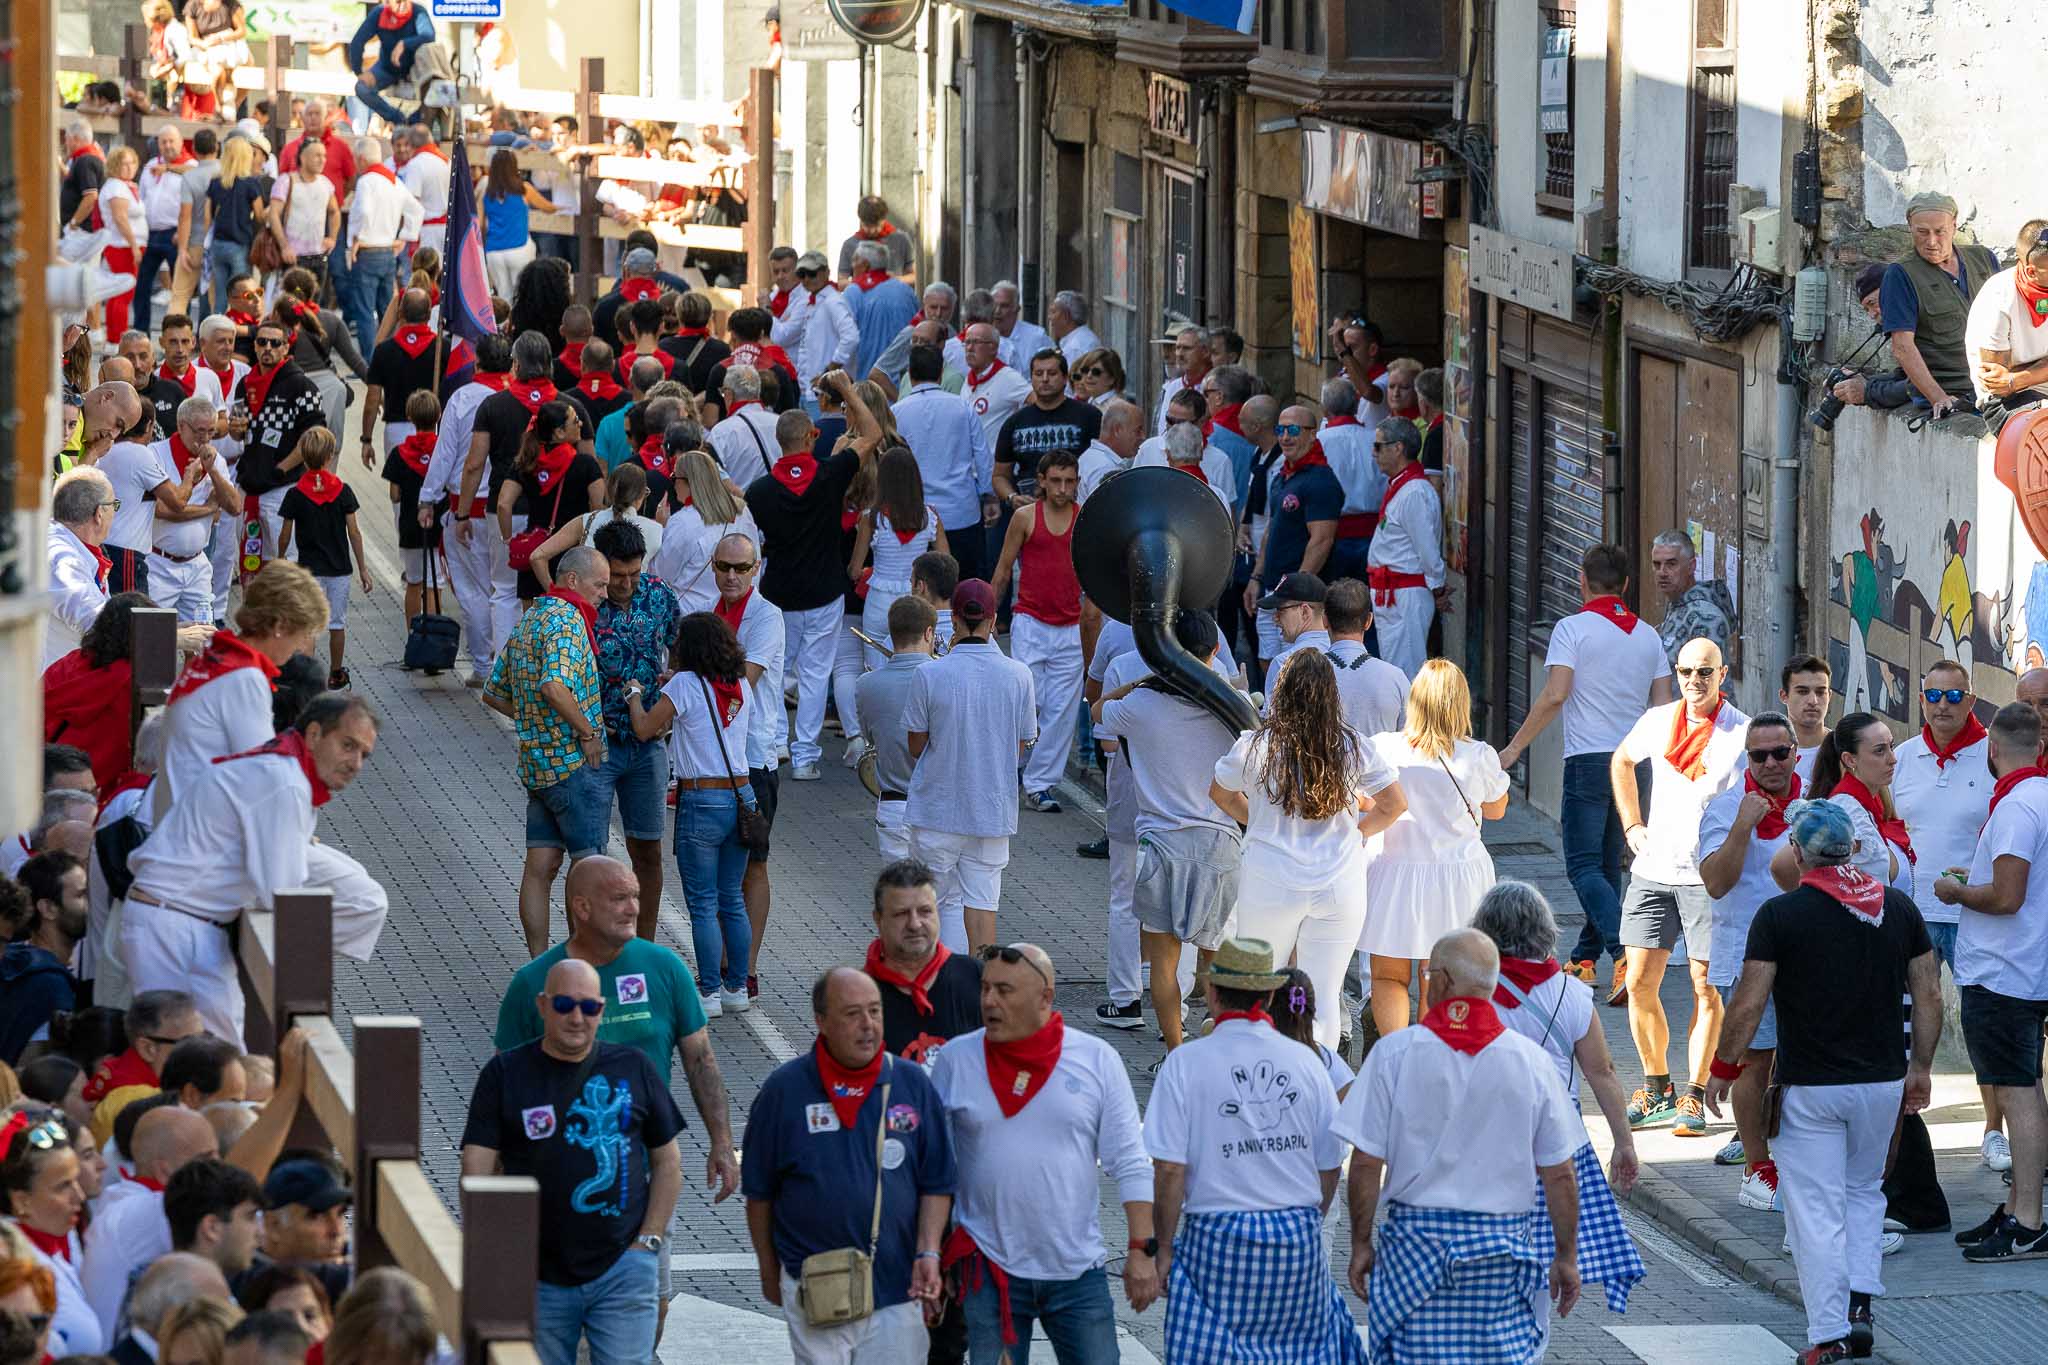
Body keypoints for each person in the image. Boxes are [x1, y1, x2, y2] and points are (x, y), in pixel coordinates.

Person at [1707, 798, 1940, 1362]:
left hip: (1810, 1086)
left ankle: (1827, 1335)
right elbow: (1929, 994)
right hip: (1881, 1082)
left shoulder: (1781, 916)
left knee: (1813, 1211)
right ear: (1854, 849)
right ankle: (1860, 1303)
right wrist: (1922, 1068)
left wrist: (1722, 1067)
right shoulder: (1899, 908)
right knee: (1864, 1195)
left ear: (1796, 853)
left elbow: (1748, 1001)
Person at [493, 855, 739, 1323]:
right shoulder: (532, 985)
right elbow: (505, 1087)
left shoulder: (664, 968)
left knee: (649, 1308)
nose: (633, 908)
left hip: (643, 1183)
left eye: (636, 897)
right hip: (552, 1187)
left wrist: (722, 1143)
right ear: (581, 908)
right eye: (619, 898)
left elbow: (700, 1060)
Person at [1340, 928, 1587, 1361]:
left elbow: (1364, 1162)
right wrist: (1566, 1256)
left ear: (1446, 981)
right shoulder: (1531, 1062)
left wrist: (1361, 1243)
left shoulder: (1394, 1054)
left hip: (1413, 1249)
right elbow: (1560, 1172)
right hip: (1501, 1251)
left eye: (1430, 971)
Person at [931, 942, 1155, 1360]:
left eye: (1005, 990)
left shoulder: (1096, 1060)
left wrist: (1142, 1249)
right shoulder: (955, 1060)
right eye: (985, 989)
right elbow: (935, 1169)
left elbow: (1130, 1161)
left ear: (1045, 998)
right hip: (989, 1269)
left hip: (1076, 1272)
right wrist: (930, 1252)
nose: (989, 1002)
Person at [461, 958, 684, 1365]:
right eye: (564, 1005)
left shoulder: (634, 1068)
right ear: (543, 1006)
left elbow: (668, 1162)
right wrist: (496, 1255)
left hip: (622, 1267)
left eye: (589, 1007)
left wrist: (647, 1243)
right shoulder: (505, 1074)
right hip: (537, 1275)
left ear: (602, 1009)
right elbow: (475, 1173)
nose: (577, 1017)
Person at [122, 696, 383, 1041]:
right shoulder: (285, 782)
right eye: (348, 746)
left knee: (217, 1064)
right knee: (201, 1067)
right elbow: (283, 893)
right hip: (175, 927)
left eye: (364, 754)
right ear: (315, 734)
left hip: (182, 922)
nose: (356, 764)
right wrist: (297, 962)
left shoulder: (281, 769)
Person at [1141, 938, 1352, 1359]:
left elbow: (1168, 1170)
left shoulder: (1185, 1062)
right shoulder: (1310, 1063)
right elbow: (1331, 1163)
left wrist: (1161, 1248)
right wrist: (1308, 1222)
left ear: (1214, 994)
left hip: (1215, 1239)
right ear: (1269, 995)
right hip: (1294, 1237)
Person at [742, 968, 951, 1361]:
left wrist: (928, 1253)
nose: (868, 1025)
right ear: (821, 1021)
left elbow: (937, 1181)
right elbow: (759, 1192)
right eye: (852, 1014)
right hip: (816, 1285)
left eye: (874, 1011)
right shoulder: (783, 1091)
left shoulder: (912, 1083)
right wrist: (770, 1271)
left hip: (897, 1290)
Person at [1500, 544, 1674, 988]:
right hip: (1636, 763)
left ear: (1582, 580)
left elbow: (1556, 694)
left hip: (1589, 761)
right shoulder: (1650, 636)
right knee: (1607, 864)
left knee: (1581, 866)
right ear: (1627, 585)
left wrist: (1515, 748)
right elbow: (1662, 707)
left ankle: (1624, 953)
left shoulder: (1572, 629)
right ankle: (1584, 959)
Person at [1212, 650, 1404, 1051]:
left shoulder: (1257, 746)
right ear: (1331, 695)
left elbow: (1221, 794)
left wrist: (1257, 822)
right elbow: (1394, 804)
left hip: (1269, 881)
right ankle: (1319, 1084)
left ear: (1282, 693)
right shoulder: (1353, 746)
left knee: (1261, 987)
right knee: (1322, 994)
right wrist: (1358, 832)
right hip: (1338, 884)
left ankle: (1263, 1074)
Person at [1472, 885, 1646, 1311]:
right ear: (1545, 930)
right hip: (1558, 1136)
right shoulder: (1571, 995)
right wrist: (1624, 1144)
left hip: (1487, 1133)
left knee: (1490, 1250)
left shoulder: (1473, 990)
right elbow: (1601, 1073)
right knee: (1550, 1256)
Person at [1612, 637, 1747, 1135]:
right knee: (1637, 983)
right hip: (1652, 870)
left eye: (1705, 673)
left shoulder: (1740, 732)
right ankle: (1656, 1086)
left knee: (1705, 988)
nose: (1694, 681)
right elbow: (1621, 761)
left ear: (1722, 675)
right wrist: (1632, 825)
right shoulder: (1657, 720)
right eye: (1686, 670)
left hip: (1706, 878)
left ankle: (1694, 1093)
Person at [1095, 610, 1245, 1049]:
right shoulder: (1233, 708)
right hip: (1221, 842)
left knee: (1163, 963)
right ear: (1215, 651)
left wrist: (1141, 681)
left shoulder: (1142, 705)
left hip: (1160, 845)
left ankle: (1175, 1050)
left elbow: (1100, 711)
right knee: (1220, 962)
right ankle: (1221, 1043)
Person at [1933, 701, 2048, 1262]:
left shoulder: (2018, 806)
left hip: (2006, 971)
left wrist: (1958, 891)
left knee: (2017, 1090)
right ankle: (2018, 1207)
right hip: (2022, 967)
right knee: (2020, 1085)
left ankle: (2027, 1220)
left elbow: (2006, 895)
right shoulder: (2038, 796)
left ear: (1992, 750)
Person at [1890, 660, 2005, 1171]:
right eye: (1933, 697)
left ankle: (1994, 1130)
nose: (1943, 707)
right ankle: (1900, 1111)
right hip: (1911, 911)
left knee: (1984, 1020)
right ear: (1921, 700)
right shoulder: (1900, 758)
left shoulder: (1994, 756)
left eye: (1954, 698)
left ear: (1972, 701)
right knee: (1904, 1017)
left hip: (1975, 911)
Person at [1360, 660, 1510, 1035]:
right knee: (1440, 979)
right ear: (1460, 704)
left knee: (1388, 977)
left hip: (1393, 869)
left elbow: (1364, 801)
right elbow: (1496, 809)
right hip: (1457, 877)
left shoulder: (1384, 748)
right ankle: (1434, 1058)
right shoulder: (1478, 756)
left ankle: (1396, 1055)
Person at [745, 379, 879, 782]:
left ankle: (772, 745)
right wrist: (845, 391)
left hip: (779, 592)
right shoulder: (830, 474)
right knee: (816, 674)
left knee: (772, 671)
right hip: (823, 591)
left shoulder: (760, 491)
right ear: (812, 436)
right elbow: (873, 433)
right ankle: (804, 757)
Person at [1696, 712, 1804, 1212]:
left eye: (1779, 753)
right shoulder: (1723, 809)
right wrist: (1743, 826)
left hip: (1808, 952)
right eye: (1758, 755)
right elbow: (1716, 882)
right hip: (1749, 955)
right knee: (1754, 1062)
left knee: (1799, 1061)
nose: (1770, 763)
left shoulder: (1814, 804)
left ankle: (1791, 1154)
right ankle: (1757, 1164)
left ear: (1794, 753)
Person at [627, 613, 759, 1015]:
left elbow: (646, 729)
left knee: (701, 903)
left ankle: (709, 992)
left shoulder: (685, 684)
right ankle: (737, 987)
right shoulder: (740, 686)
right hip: (741, 795)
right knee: (731, 898)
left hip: (701, 799)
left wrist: (634, 695)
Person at [482, 545, 609, 958]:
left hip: (536, 766)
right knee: (589, 869)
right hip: (572, 766)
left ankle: (538, 962)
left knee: (539, 868)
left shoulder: (533, 616)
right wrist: (585, 731)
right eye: (600, 584)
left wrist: (534, 721)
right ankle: (582, 961)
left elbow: (495, 693)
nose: (605, 593)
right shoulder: (568, 621)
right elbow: (554, 686)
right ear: (573, 580)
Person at [904, 580, 1036, 952]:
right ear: (993, 620)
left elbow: (916, 746)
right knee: (982, 906)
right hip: (992, 809)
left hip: (937, 808)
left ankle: (931, 989)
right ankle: (980, 991)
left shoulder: (929, 674)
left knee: (930, 905)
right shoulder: (1019, 674)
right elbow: (1023, 743)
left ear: (954, 619)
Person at [989, 451, 1084, 814]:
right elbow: (1002, 569)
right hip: (1029, 619)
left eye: (1070, 481)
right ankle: (1011, 767)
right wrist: (989, 620)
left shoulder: (1084, 520)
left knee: (1061, 711)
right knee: (1027, 700)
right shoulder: (1025, 517)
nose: (1063, 488)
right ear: (1041, 481)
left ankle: (1040, 784)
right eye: (1056, 480)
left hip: (1072, 625)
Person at [1876, 190, 2000, 416]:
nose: (1931, 241)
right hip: (1953, 391)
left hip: (1994, 386)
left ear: (1954, 225)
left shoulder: (1984, 259)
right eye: (1922, 232)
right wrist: (1939, 398)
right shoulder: (1901, 274)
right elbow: (1902, 347)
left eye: (1940, 231)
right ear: (1910, 226)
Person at [1242, 403, 1341, 683]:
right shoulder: (1283, 476)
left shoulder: (1321, 481)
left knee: (1296, 666)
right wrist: (1256, 577)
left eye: (1294, 430)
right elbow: (1271, 531)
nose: (1285, 437)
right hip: (1272, 586)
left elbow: (1321, 541)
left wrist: (1297, 591)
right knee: (1267, 660)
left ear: (1312, 435)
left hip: (1297, 596)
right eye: (1281, 430)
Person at [890, 344, 994, 584]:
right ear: (941, 373)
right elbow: (982, 455)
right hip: (961, 513)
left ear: (910, 373)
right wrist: (987, 494)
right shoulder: (963, 407)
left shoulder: (897, 412)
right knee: (967, 586)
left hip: (916, 517)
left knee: (921, 589)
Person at [0, 1108, 101, 1355]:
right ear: (21, 1201)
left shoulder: (63, 1234)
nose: (79, 1195)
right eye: (63, 1186)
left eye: (76, 1180)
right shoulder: (14, 1272)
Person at [276, 430, 371, 690]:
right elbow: (354, 532)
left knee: (308, 625)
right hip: (340, 569)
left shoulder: (295, 494)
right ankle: (336, 673)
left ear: (304, 459)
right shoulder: (343, 491)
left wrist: (280, 559)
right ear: (330, 457)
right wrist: (363, 568)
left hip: (309, 571)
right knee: (337, 623)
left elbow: (285, 534)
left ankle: (308, 675)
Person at [240, 316, 332, 564]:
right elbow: (239, 431)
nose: (268, 348)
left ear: (285, 347)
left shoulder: (303, 385)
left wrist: (281, 469)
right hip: (247, 488)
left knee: (285, 561)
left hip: (282, 488)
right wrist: (234, 430)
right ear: (255, 346)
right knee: (250, 561)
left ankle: (288, 605)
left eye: (275, 343)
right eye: (262, 342)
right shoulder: (245, 383)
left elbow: (313, 436)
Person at [1362, 417, 1445, 679]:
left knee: (1405, 671)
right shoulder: (1404, 487)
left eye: (1378, 446)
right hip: (1394, 595)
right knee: (1395, 667)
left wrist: (1437, 587)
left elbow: (1428, 552)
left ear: (1397, 448)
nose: (1373, 453)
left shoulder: (1414, 492)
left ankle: (1407, 721)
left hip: (1405, 596)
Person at [855, 599, 938, 860]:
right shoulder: (944, 678)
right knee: (943, 898)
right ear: (928, 633)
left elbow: (870, 737)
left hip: (893, 806)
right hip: (938, 807)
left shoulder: (866, 684)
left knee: (898, 897)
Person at [80, 992, 204, 1145]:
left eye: (204, 1039)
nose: (202, 1051)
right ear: (148, 1049)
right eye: (189, 1043)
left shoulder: (123, 1070)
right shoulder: (136, 1103)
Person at [0, 856, 88, 1066]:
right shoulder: (49, 984)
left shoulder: (25, 966)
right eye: (81, 895)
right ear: (48, 908)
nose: (91, 904)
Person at [992, 351, 1101, 514]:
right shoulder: (1014, 422)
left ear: (1065, 378)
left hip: (1078, 511)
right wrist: (1012, 497)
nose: (1044, 379)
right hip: (1030, 513)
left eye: (1052, 373)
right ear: (1031, 379)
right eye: (1038, 373)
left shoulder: (1089, 416)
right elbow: (1000, 475)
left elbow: (1103, 462)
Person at [1965, 220, 2048, 428]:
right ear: (2031, 271)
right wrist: (2019, 379)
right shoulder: (1999, 296)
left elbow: (2010, 378)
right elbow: (1998, 384)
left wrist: (2016, 377)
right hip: (2006, 403)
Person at [43, 470, 116, 671]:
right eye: (114, 506)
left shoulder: (74, 547)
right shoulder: (61, 556)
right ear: (99, 514)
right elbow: (95, 617)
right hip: (48, 693)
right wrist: (165, 635)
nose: (115, 514)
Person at [769, 252, 859, 411]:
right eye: (802, 274)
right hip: (810, 391)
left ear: (826, 272)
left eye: (812, 273)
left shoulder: (833, 300)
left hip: (825, 394)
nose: (807, 279)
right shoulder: (814, 300)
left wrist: (829, 371)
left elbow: (851, 337)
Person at [1321, 576, 1409, 735]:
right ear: (1368, 621)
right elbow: (1409, 740)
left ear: (1324, 620)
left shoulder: (1303, 675)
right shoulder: (1395, 677)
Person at [1649, 529, 1735, 667]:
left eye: (1671, 564)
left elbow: (1704, 681)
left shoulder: (1705, 618)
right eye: (1657, 565)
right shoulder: (1676, 604)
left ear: (1691, 567)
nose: (1662, 572)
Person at [844, 241, 918, 383]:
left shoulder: (853, 292)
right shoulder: (906, 291)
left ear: (865, 265)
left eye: (854, 260)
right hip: (904, 381)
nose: (851, 265)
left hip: (866, 382)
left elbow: (845, 339)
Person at [960, 323, 1031, 452]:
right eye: (967, 342)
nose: (969, 348)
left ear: (993, 348)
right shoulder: (969, 380)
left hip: (996, 467)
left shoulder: (1007, 377)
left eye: (976, 342)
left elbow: (1037, 400)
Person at [836, 195, 914, 279]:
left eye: (876, 226)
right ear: (860, 220)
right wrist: (864, 283)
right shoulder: (850, 244)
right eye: (867, 225)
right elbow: (841, 282)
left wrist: (893, 281)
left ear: (884, 219)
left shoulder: (901, 239)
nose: (872, 231)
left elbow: (914, 276)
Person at [1046, 291, 1101, 369]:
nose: (1049, 317)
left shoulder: (1075, 348)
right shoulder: (1081, 336)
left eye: (1053, 312)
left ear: (1066, 316)